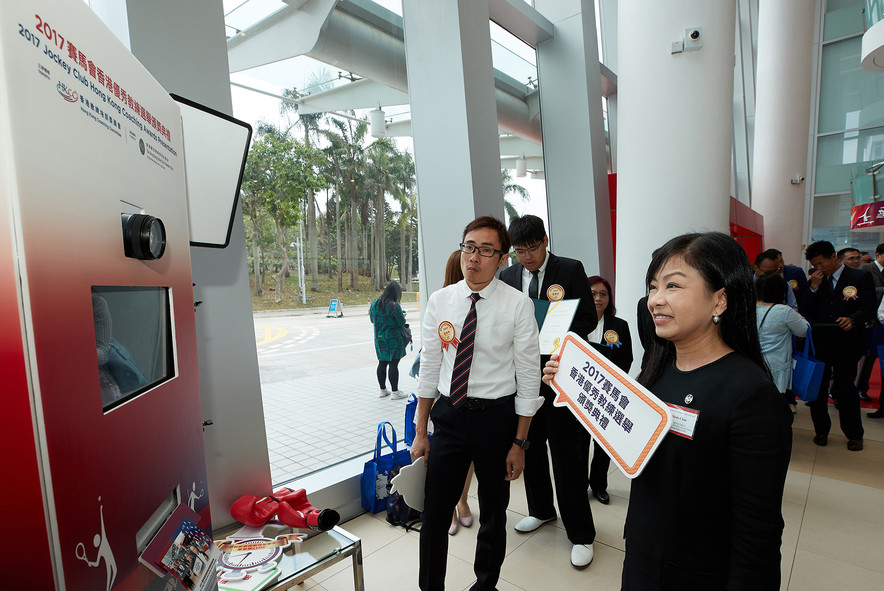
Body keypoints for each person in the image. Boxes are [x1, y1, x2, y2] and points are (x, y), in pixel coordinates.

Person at [543, 231, 792, 589]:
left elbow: (758, 534)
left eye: (673, 286)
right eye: (653, 286)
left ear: (720, 300)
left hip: (698, 572)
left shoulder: (751, 395)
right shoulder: (655, 375)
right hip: (644, 556)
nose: (655, 301)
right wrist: (570, 382)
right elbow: (623, 435)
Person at [412, 216, 541, 591]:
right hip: (450, 416)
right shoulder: (441, 301)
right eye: (469, 246)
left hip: (496, 420)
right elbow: (430, 368)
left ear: (502, 259)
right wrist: (421, 430)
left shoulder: (518, 305)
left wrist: (519, 443)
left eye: (486, 250)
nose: (474, 257)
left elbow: (529, 378)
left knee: (494, 513)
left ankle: (485, 585)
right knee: (435, 512)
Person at [499, 214, 598, 569]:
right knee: (530, 447)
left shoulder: (570, 270)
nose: (526, 257)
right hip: (523, 379)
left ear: (545, 240)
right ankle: (541, 510)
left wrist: (560, 333)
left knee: (567, 455)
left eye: (532, 248)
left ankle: (581, 534)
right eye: (519, 251)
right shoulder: (508, 276)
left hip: (561, 375)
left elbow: (589, 318)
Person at [800, 240, 876, 451]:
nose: (819, 268)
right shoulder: (816, 280)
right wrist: (813, 288)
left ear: (834, 257)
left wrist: (854, 318)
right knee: (818, 390)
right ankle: (821, 431)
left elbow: (869, 306)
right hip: (821, 343)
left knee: (845, 389)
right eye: (815, 265)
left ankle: (854, 434)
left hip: (847, 342)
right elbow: (805, 309)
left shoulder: (859, 277)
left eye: (821, 263)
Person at [585, 275, 633, 505]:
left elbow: (627, 358)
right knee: (579, 444)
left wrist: (611, 381)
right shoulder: (575, 322)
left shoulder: (619, 325)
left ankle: (599, 485)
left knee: (603, 444)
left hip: (605, 393)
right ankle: (578, 483)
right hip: (579, 391)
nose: (598, 298)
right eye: (593, 293)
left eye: (603, 294)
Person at [755, 271, 810, 405]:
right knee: (774, 404)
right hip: (777, 364)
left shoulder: (747, 308)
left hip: (753, 362)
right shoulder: (783, 311)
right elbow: (804, 330)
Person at [369, 281, 408, 400]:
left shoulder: (375, 303)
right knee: (393, 364)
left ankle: (382, 390)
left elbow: (372, 319)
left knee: (382, 363)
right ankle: (395, 392)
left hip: (379, 339)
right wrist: (402, 314)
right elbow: (401, 322)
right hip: (393, 339)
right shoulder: (394, 305)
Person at [856, 242, 884, 404]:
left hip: (883, 320)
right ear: (878, 254)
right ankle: (860, 388)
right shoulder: (867, 269)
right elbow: (860, 291)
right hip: (871, 320)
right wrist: (882, 290)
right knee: (867, 357)